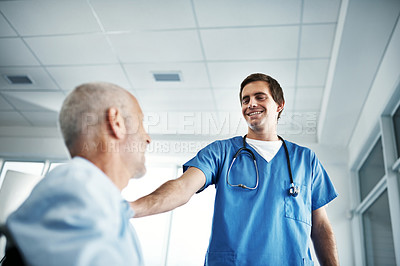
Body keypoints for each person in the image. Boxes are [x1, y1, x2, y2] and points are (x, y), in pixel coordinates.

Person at [131, 73, 340, 265]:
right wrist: (132, 208)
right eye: (245, 100)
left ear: (279, 105)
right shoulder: (221, 152)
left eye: (260, 97)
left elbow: (320, 226)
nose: (251, 104)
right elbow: (182, 187)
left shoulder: (305, 160)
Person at [6, 82, 151, 266]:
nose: (148, 138)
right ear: (116, 122)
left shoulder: (102, 201)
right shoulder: (79, 185)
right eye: (141, 123)